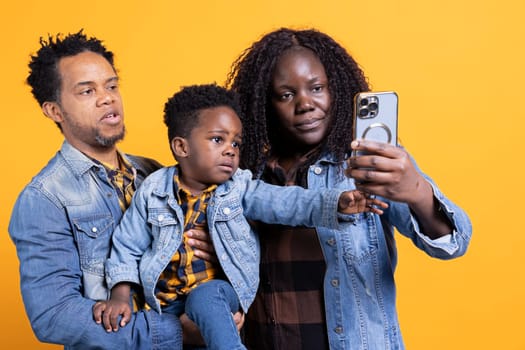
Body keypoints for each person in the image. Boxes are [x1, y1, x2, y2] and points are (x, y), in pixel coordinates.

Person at [225, 27, 473, 350]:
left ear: (336, 90)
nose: (305, 104)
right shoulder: (245, 177)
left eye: (317, 88)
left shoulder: (367, 162)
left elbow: (454, 243)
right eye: (287, 95)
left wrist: (416, 190)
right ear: (263, 103)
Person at [92, 83, 388, 350]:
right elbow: (127, 245)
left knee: (205, 297)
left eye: (236, 143)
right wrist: (120, 295)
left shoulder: (239, 187)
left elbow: (285, 202)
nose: (231, 151)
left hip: (219, 295)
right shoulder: (154, 190)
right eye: (218, 140)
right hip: (164, 304)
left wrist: (335, 202)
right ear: (181, 147)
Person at [8, 31, 221, 349]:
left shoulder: (155, 173)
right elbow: (54, 315)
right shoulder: (44, 198)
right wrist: (175, 331)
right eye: (86, 91)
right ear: (54, 110)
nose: (107, 98)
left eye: (111, 85)